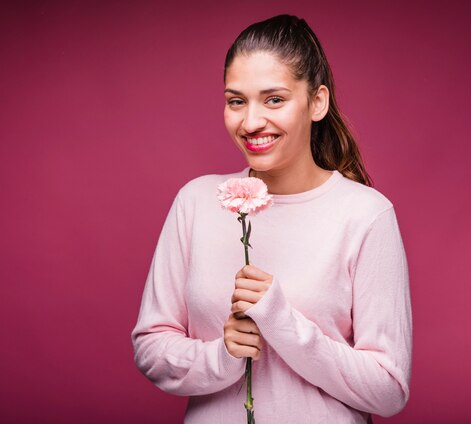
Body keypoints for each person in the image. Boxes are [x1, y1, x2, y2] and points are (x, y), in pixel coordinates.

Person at [131, 14, 412, 423]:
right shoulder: (196, 202)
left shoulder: (367, 215)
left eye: (274, 99)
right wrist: (222, 355)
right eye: (236, 101)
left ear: (317, 102)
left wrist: (282, 321)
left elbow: (388, 390)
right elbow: (151, 347)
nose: (251, 122)